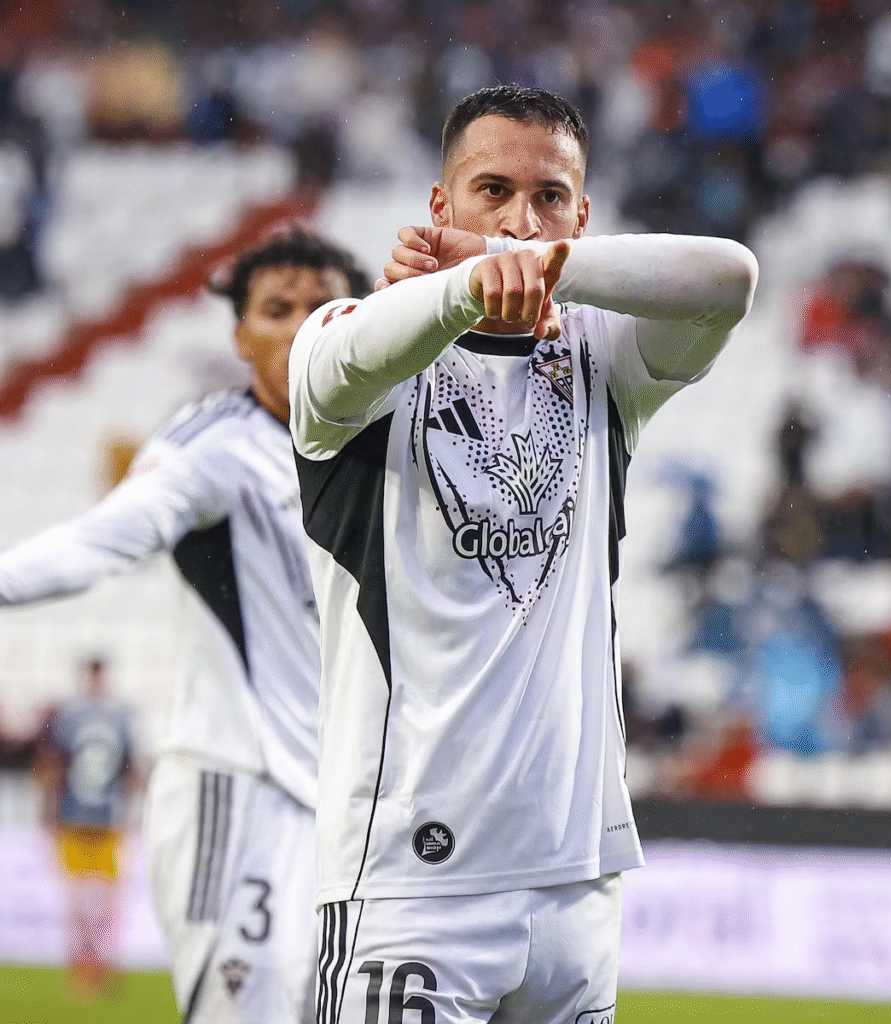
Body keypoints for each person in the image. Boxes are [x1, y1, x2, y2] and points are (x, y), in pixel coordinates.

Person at [289, 85, 758, 1023]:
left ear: (582, 217)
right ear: (439, 207)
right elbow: (337, 367)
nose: (518, 218)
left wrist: (539, 265)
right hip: (411, 887)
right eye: (492, 191)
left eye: (549, 198)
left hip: (576, 878)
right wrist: (462, 287)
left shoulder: (605, 357)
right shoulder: (355, 345)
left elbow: (732, 276)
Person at [0, 225, 371, 1024]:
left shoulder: (387, 456)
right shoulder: (217, 446)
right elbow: (100, 540)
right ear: (241, 335)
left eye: (326, 305)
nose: (305, 325)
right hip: (237, 793)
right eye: (278, 309)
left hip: (350, 808)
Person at [34, 655, 138, 997]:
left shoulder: (117, 717)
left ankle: (100, 963)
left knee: (106, 902)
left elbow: (130, 767)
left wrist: (131, 810)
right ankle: (80, 963)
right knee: (78, 901)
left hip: (107, 818)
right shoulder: (72, 716)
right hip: (75, 817)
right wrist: (49, 811)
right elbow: (53, 764)